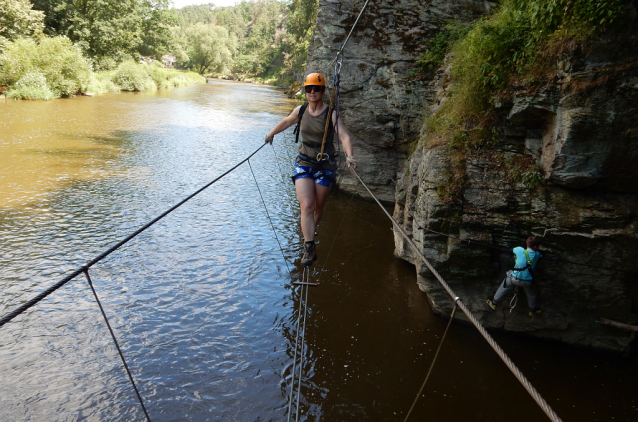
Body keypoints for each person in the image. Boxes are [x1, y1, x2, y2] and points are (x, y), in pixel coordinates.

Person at [264, 72, 356, 266]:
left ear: (322, 91)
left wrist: (350, 156)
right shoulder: (301, 110)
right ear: (305, 91)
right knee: (306, 205)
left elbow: (344, 136)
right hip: (304, 162)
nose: (312, 92)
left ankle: (310, 231)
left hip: (325, 164)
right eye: (309, 89)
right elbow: (287, 121)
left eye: (317, 89)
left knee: (317, 207)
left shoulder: (331, 113)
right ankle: (309, 246)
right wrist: (271, 133)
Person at [486, 236, 542, 316]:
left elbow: (513, 250)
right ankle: (532, 310)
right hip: (528, 282)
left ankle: (494, 302)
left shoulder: (519, 250)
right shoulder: (537, 255)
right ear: (535, 247)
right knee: (531, 294)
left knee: (505, 285)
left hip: (514, 279)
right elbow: (540, 257)